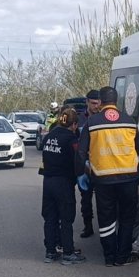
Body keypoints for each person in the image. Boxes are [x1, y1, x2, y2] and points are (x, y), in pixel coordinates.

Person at [77, 86, 139, 266]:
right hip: (129, 177)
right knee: (127, 218)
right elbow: (137, 148)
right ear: (116, 101)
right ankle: (123, 256)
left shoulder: (92, 122)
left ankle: (109, 256)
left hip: (103, 179)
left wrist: (81, 173)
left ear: (102, 102)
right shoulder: (130, 120)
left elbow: (81, 153)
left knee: (106, 218)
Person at [40, 108, 86, 265]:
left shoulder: (49, 137)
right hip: (63, 183)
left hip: (48, 181)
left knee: (50, 217)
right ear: (74, 125)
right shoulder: (71, 139)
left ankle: (50, 252)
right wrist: (81, 175)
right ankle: (68, 252)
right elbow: (78, 159)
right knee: (66, 218)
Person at [76, 89, 102, 238]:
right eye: (93, 103)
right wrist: (80, 168)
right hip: (84, 164)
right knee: (85, 199)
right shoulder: (79, 119)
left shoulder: (101, 118)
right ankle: (88, 226)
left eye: (98, 103)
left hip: (100, 165)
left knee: (102, 199)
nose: (96, 106)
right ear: (87, 102)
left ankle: (104, 227)